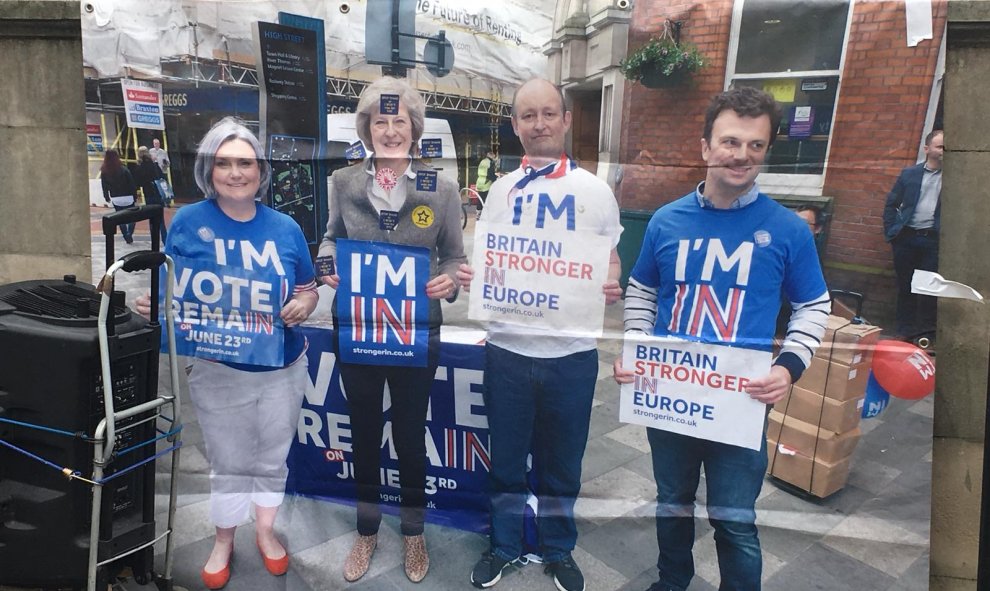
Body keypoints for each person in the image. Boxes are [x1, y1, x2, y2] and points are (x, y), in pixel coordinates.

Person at [614, 86, 831, 591]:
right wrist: (637, 348)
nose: (742, 155)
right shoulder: (667, 220)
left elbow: (813, 306)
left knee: (734, 519)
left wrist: (787, 368)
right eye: (731, 142)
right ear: (706, 147)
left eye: (756, 146)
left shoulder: (786, 229)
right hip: (671, 395)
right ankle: (673, 582)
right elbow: (642, 289)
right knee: (672, 503)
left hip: (740, 400)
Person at [136, 117, 319, 589]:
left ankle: (265, 532)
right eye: (224, 162)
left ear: (260, 171)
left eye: (245, 162)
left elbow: (307, 288)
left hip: (283, 367)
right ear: (208, 169)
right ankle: (224, 539)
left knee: (272, 457)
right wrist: (155, 303)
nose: (235, 172)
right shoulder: (189, 221)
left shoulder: (285, 226)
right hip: (218, 368)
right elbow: (173, 288)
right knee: (228, 460)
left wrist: (304, 303)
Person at [457, 78, 623, 591]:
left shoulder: (596, 191)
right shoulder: (502, 189)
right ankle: (504, 546)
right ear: (515, 126)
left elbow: (610, 257)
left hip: (571, 356)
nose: (539, 125)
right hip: (507, 351)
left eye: (549, 114)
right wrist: (475, 276)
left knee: (563, 464)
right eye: (527, 116)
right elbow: (492, 258)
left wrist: (611, 280)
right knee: (505, 459)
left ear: (566, 120)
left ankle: (558, 548)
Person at [316, 76, 466, 584]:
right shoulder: (343, 183)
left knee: (408, 435)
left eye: (398, 119)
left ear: (414, 127)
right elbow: (330, 240)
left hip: (414, 333)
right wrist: (325, 267)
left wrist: (448, 282)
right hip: (359, 331)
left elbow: (454, 256)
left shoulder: (441, 188)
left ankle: (414, 531)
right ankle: (365, 530)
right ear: (366, 128)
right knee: (362, 435)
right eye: (380, 120)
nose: (389, 129)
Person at [883, 129, 943, 342]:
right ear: (927, 149)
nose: (944, 151)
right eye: (940, 146)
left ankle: (924, 336)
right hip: (906, 239)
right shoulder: (909, 174)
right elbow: (891, 204)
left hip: (933, 241)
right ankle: (903, 332)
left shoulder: (955, 179)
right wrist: (892, 232)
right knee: (905, 286)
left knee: (928, 290)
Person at [100, 149, 137, 244]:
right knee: (133, 216)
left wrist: (106, 196)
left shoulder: (104, 171)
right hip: (128, 196)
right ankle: (130, 233)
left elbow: (104, 186)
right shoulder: (123, 169)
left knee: (120, 218)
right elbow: (131, 183)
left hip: (116, 197)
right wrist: (135, 195)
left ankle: (125, 235)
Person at [132, 145, 168, 242]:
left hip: (148, 194)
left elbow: (138, 182)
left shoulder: (139, 167)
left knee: (152, 219)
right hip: (158, 192)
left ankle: (154, 240)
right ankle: (165, 240)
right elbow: (162, 177)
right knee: (161, 220)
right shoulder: (154, 165)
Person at [474, 149, 498, 217]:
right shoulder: (490, 162)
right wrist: (496, 179)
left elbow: (483, 171)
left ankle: (478, 214)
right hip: (486, 183)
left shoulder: (483, 161)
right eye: (492, 153)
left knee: (480, 199)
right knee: (487, 199)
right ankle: (487, 215)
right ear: (488, 154)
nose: (493, 155)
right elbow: (490, 174)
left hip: (480, 182)